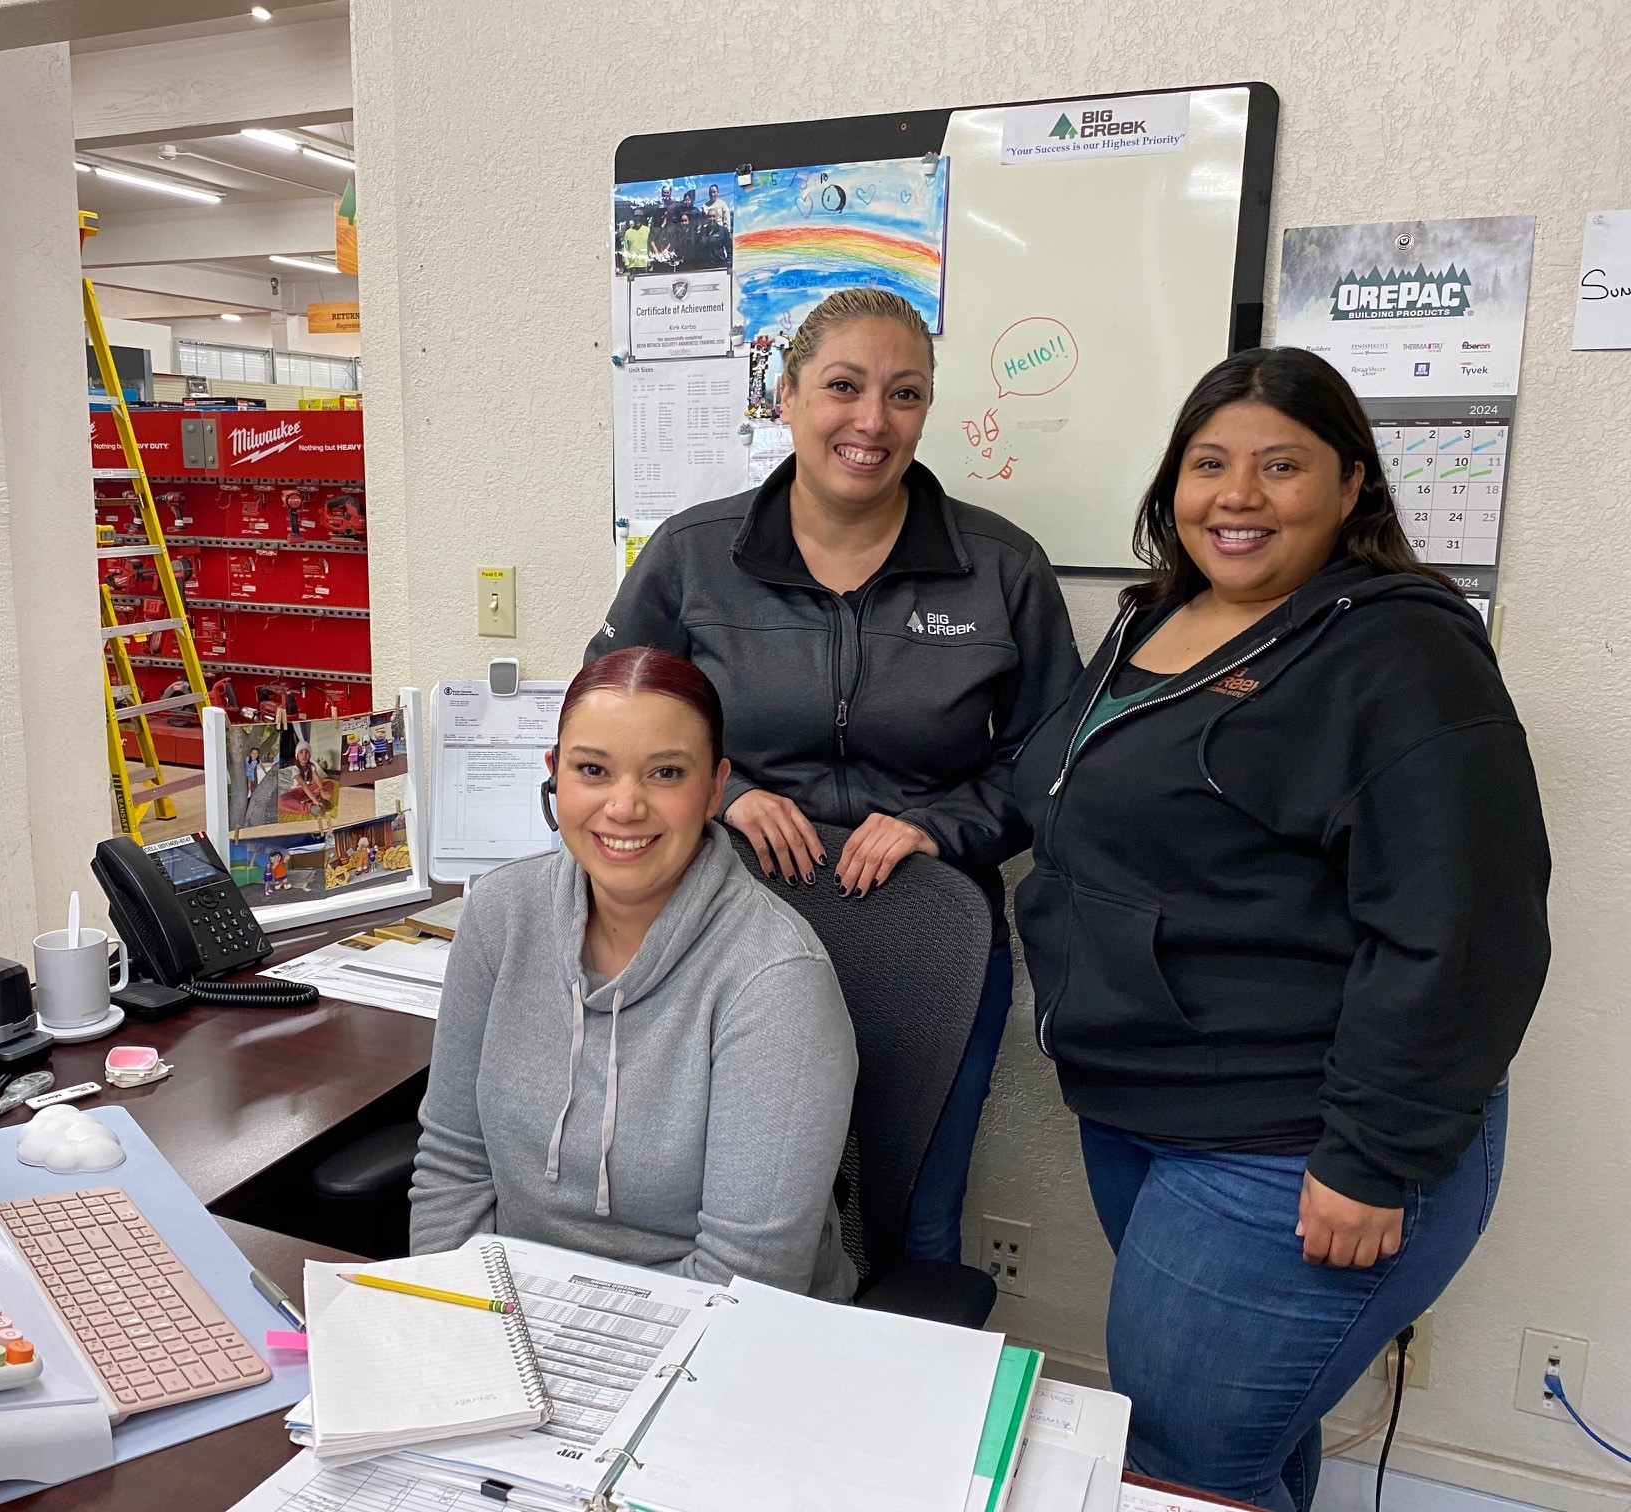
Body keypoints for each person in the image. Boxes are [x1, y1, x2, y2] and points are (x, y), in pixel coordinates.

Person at [1010, 347, 1550, 1512]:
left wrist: (1370, 1159)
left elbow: (1464, 930)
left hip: (1291, 1140)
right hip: (1145, 1111)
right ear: (1172, 486)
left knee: (1182, 1470)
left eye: (1280, 465)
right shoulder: (1153, 620)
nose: (1237, 496)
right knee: (1242, 1455)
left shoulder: (1398, 651)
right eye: (1209, 464)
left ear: (1353, 484)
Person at [589, 286, 1081, 1264]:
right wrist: (725, 796)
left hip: (929, 945)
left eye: (904, 395)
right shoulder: (692, 555)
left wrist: (943, 823)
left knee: (913, 1220)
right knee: (722, 1206)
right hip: (725, 933)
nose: (871, 420)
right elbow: (605, 738)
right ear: (786, 394)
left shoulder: (1001, 568)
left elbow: (1051, 758)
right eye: (843, 387)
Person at [410, 647, 858, 1298]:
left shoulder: (776, 977)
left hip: (714, 1345)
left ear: (714, 789)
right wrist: (455, 1319)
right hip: (507, 1324)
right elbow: (453, 1167)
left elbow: (748, 1278)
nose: (624, 807)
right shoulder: (500, 916)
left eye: (665, 774)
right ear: (554, 775)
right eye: (592, 769)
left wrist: (548, 1334)